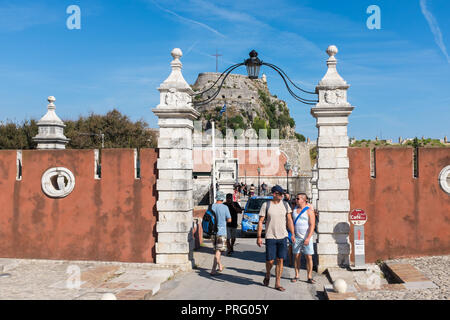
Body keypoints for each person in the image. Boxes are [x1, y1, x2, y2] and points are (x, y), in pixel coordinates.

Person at [257, 185, 295, 292]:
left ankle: (277, 282)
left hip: (283, 236)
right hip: (270, 237)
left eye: (283, 194)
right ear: (274, 194)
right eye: (280, 194)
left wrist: (292, 234)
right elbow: (260, 221)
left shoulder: (285, 205)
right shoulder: (266, 205)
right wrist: (259, 236)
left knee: (280, 259)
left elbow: (289, 220)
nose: (283, 195)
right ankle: (268, 273)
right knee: (270, 260)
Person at [290, 193, 316, 284]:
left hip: (306, 237)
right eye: (296, 199)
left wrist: (308, 238)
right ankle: (297, 275)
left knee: (308, 257)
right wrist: (292, 234)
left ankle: (309, 277)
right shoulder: (294, 210)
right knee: (297, 257)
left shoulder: (309, 211)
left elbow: (312, 225)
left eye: (298, 199)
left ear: (304, 200)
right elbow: (292, 223)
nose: (296, 200)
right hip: (297, 237)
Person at [210, 191, 232, 276]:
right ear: (222, 198)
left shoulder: (211, 206)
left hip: (212, 232)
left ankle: (220, 266)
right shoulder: (225, 207)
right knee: (218, 251)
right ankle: (213, 270)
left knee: (216, 250)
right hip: (221, 231)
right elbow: (229, 219)